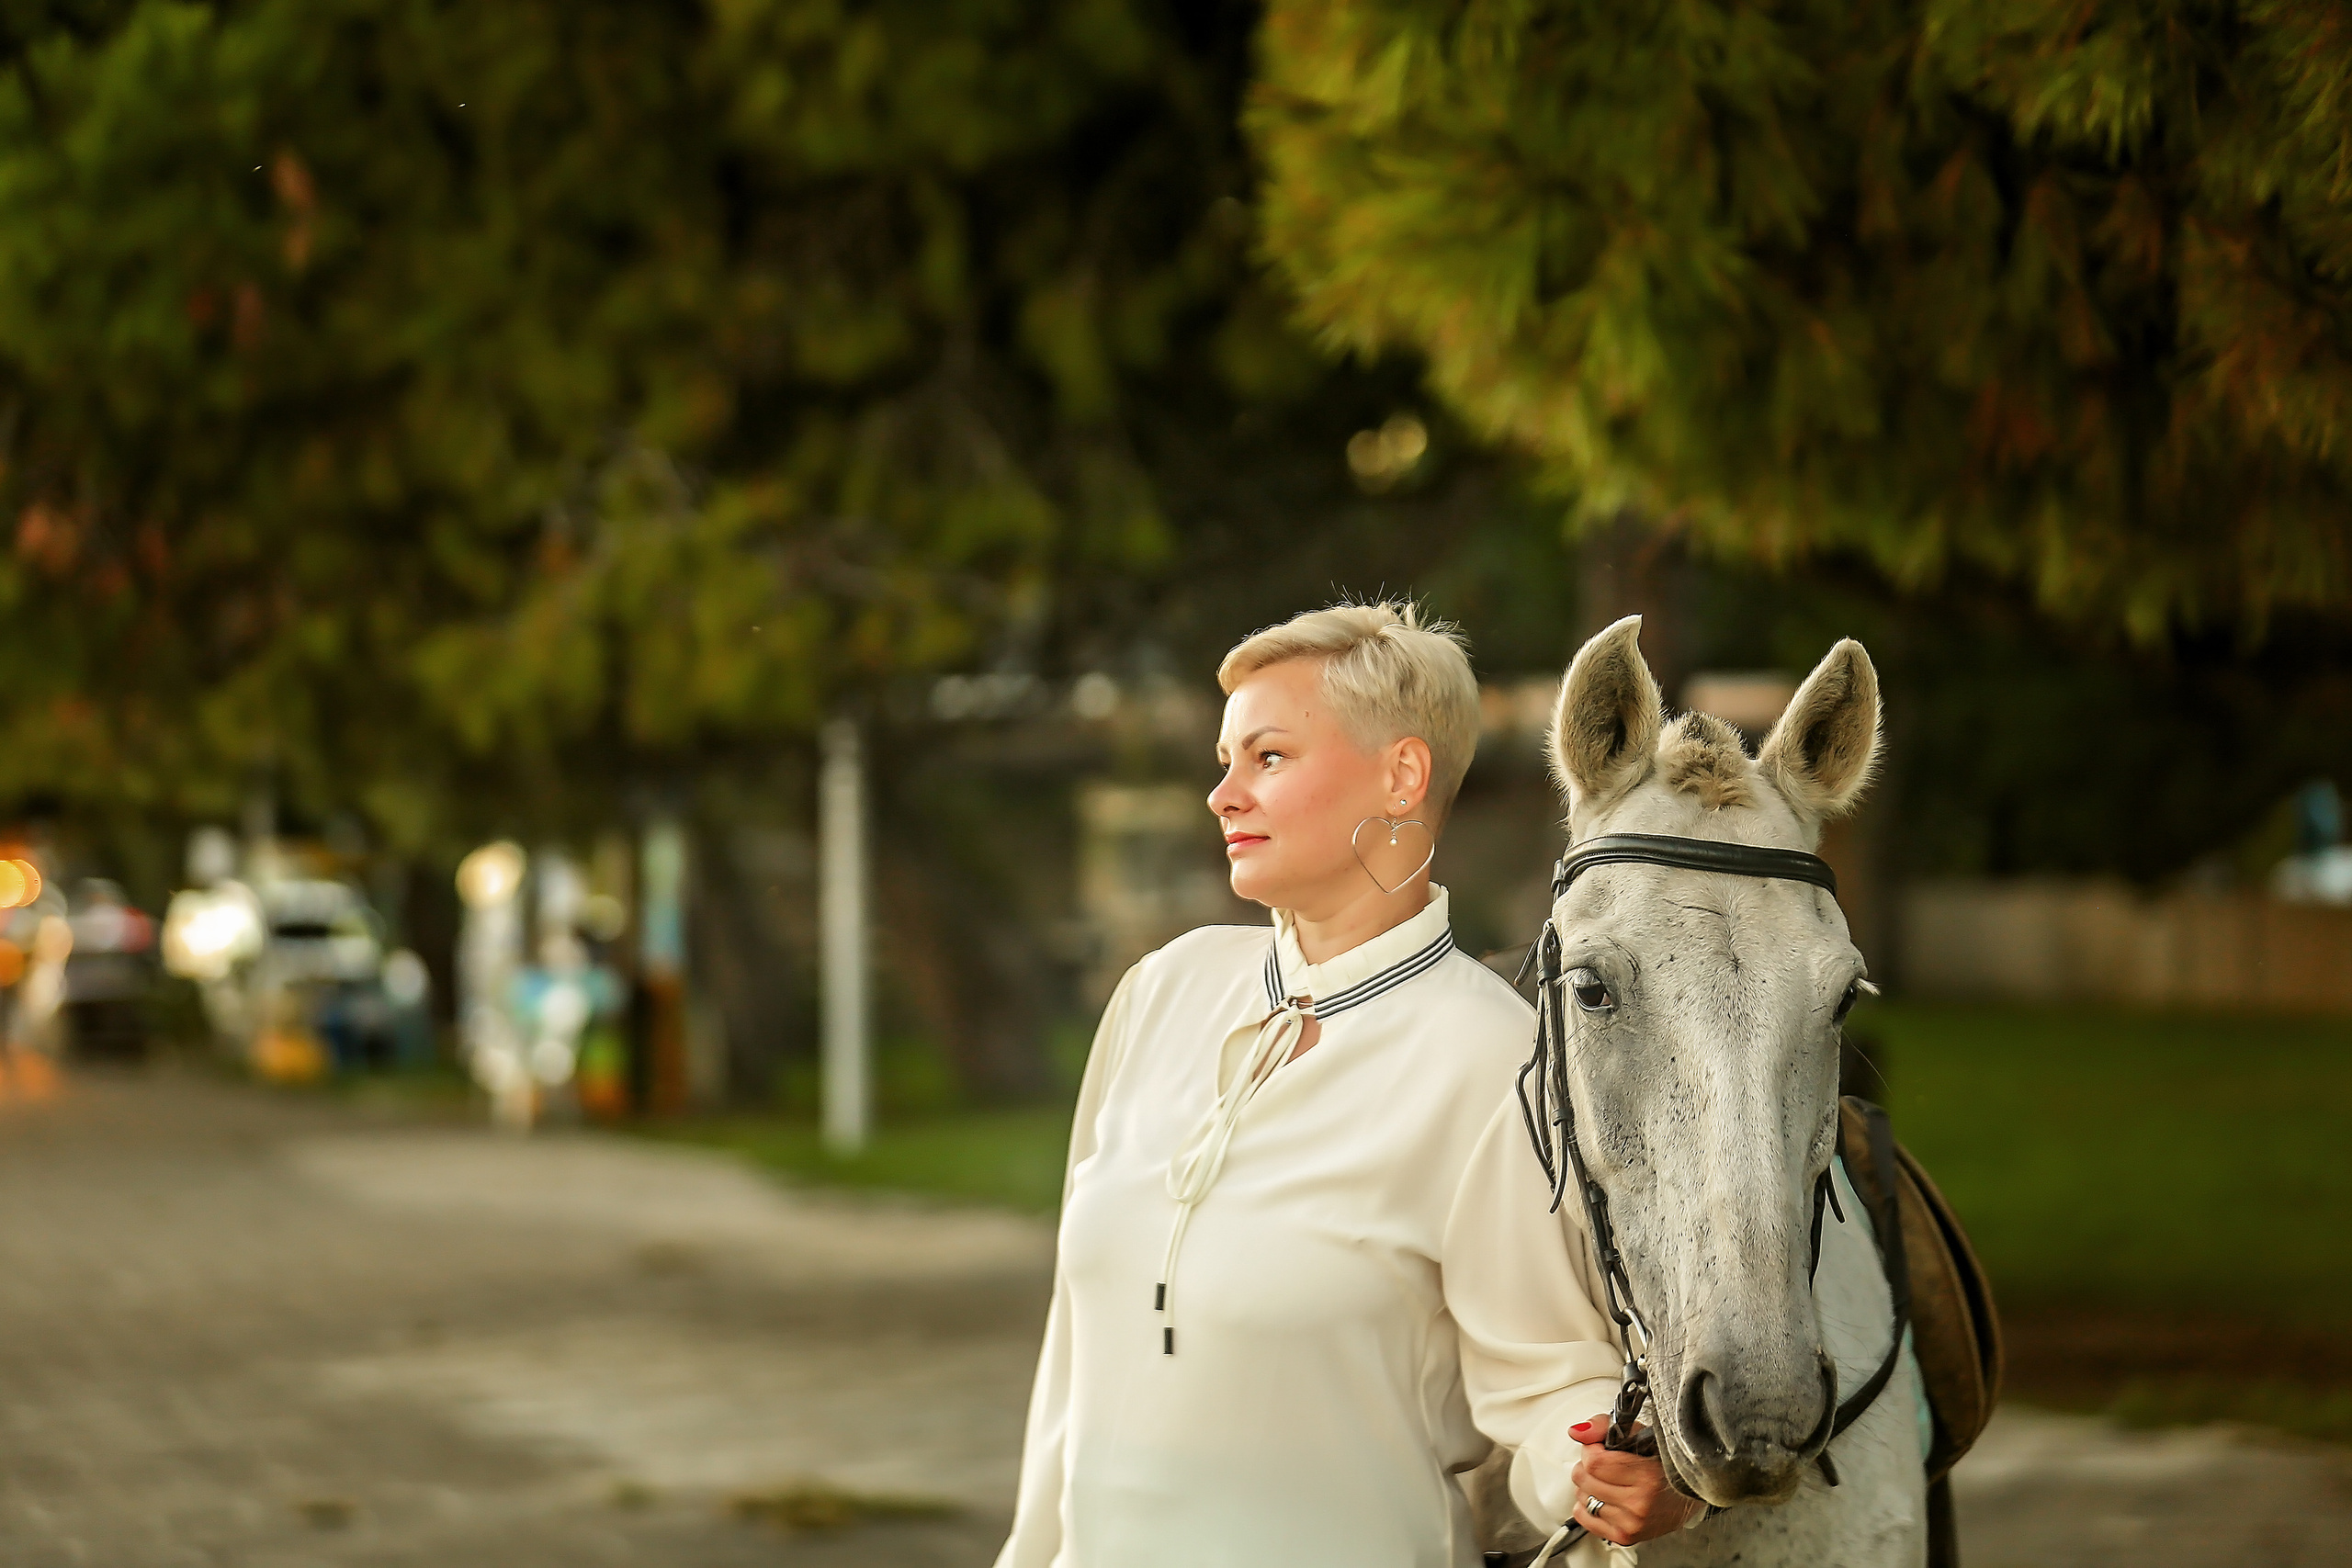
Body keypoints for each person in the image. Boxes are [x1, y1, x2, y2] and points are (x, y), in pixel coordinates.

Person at [996, 604, 1698, 1567]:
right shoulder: (1161, 990)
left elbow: (1544, 1381)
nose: (1222, 796)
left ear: (1401, 775)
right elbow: (1070, 1366)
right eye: (1224, 759)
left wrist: (1607, 1475)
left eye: (1268, 757)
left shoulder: (1490, 1057)